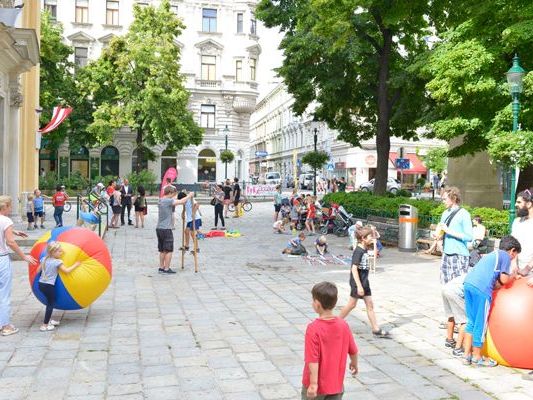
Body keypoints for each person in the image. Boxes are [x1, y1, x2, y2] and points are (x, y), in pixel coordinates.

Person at [462, 236, 521, 367]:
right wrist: (513, 276)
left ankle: (466, 355)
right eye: (515, 255)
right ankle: (477, 357)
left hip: (468, 284)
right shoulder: (505, 257)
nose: (513, 258)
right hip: (481, 290)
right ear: (512, 251)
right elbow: (505, 280)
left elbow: (495, 281)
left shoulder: (493, 254)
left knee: (471, 322)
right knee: (480, 323)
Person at [302, 282, 358, 400]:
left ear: (317, 304)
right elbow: (353, 350)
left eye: (313, 300)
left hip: (317, 388)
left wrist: (313, 384)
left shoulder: (313, 328)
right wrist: (354, 363)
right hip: (336, 385)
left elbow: (312, 359)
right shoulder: (343, 325)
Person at [339, 227, 390, 338]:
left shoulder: (365, 248)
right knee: (352, 304)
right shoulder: (358, 251)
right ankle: (335, 323)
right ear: (363, 238)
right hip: (358, 282)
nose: (371, 238)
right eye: (369, 236)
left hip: (364, 281)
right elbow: (353, 269)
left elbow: (373, 260)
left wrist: (374, 241)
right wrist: (359, 286)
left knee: (369, 304)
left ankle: (375, 329)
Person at [436, 187, 472, 333]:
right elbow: (441, 230)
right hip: (446, 253)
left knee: (456, 288)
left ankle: (461, 320)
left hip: (459, 254)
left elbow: (469, 236)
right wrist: (438, 235)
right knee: (445, 288)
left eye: (445, 198)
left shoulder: (464, 214)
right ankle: (450, 319)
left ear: (454, 198)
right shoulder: (445, 213)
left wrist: (450, 231)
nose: (443, 201)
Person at [0, 196, 37, 336]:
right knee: (4, 293)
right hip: (1, 259)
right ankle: (6, 326)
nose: (11, 208)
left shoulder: (6, 222)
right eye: (11, 206)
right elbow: (10, 242)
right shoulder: (6, 221)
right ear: (5, 207)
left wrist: (13, 231)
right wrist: (24, 256)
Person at [36, 241, 80, 331]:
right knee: (50, 303)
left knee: (51, 301)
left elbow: (37, 271)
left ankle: (49, 320)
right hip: (49, 285)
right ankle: (45, 325)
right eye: (59, 251)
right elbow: (67, 271)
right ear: (53, 252)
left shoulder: (44, 259)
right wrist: (76, 264)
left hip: (41, 284)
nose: (62, 253)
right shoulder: (57, 262)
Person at [156, 186, 193, 274]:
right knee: (168, 250)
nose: (173, 196)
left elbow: (176, 199)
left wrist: (182, 194)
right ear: (169, 193)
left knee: (162, 250)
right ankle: (166, 269)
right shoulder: (168, 201)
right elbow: (181, 201)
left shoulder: (161, 200)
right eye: (173, 194)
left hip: (159, 228)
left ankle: (161, 267)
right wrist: (189, 195)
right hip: (166, 229)